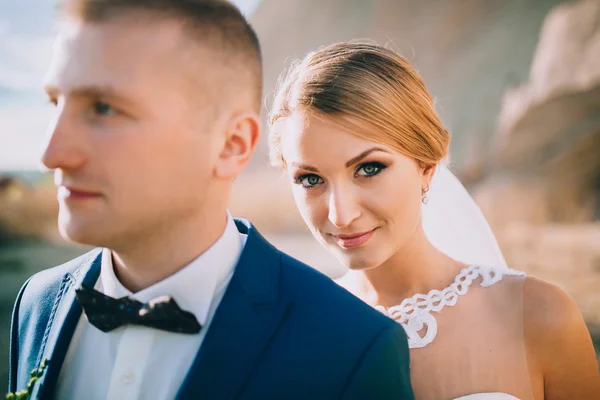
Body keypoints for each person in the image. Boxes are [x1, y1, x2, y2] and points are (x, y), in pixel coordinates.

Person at [7, 3, 414, 399]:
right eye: (56, 103)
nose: (51, 154)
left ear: (231, 145)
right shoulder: (36, 303)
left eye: (103, 108)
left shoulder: (351, 347)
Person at [268, 41, 600, 400]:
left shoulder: (539, 316)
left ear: (427, 167)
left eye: (368, 168)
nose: (340, 215)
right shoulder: (293, 340)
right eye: (310, 179)